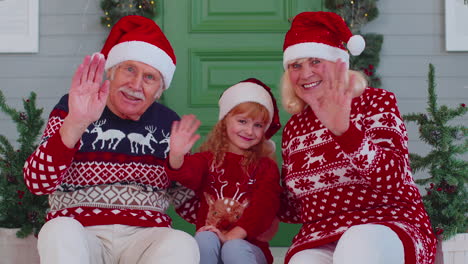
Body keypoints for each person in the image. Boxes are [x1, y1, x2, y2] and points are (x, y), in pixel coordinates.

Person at [23, 15, 199, 264]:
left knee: (182, 243)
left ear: (160, 89)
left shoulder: (169, 123)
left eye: (150, 77)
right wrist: (75, 123)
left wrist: (180, 164)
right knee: (58, 229)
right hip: (82, 232)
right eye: (129, 69)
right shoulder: (72, 107)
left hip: (145, 237)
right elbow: (36, 183)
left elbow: (191, 208)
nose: (136, 84)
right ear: (112, 72)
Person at [277, 11, 437, 264]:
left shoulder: (375, 102)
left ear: (338, 63)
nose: (306, 73)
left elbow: (395, 178)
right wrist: (250, 173)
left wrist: (346, 133)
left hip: (387, 222)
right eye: (296, 65)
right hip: (321, 234)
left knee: (357, 244)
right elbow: (294, 208)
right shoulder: (295, 128)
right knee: (302, 261)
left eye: (315, 61)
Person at [165, 78, 283, 264]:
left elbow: (264, 207)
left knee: (233, 247)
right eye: (242, 121)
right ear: (224, 121)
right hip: (211, 244)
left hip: (248, 248)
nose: (250, 131)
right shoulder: (207, 159)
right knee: (203, 238)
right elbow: (188, 174)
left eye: (258, 125)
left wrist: (232, 236)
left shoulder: (265, 166)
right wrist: (177, 156)